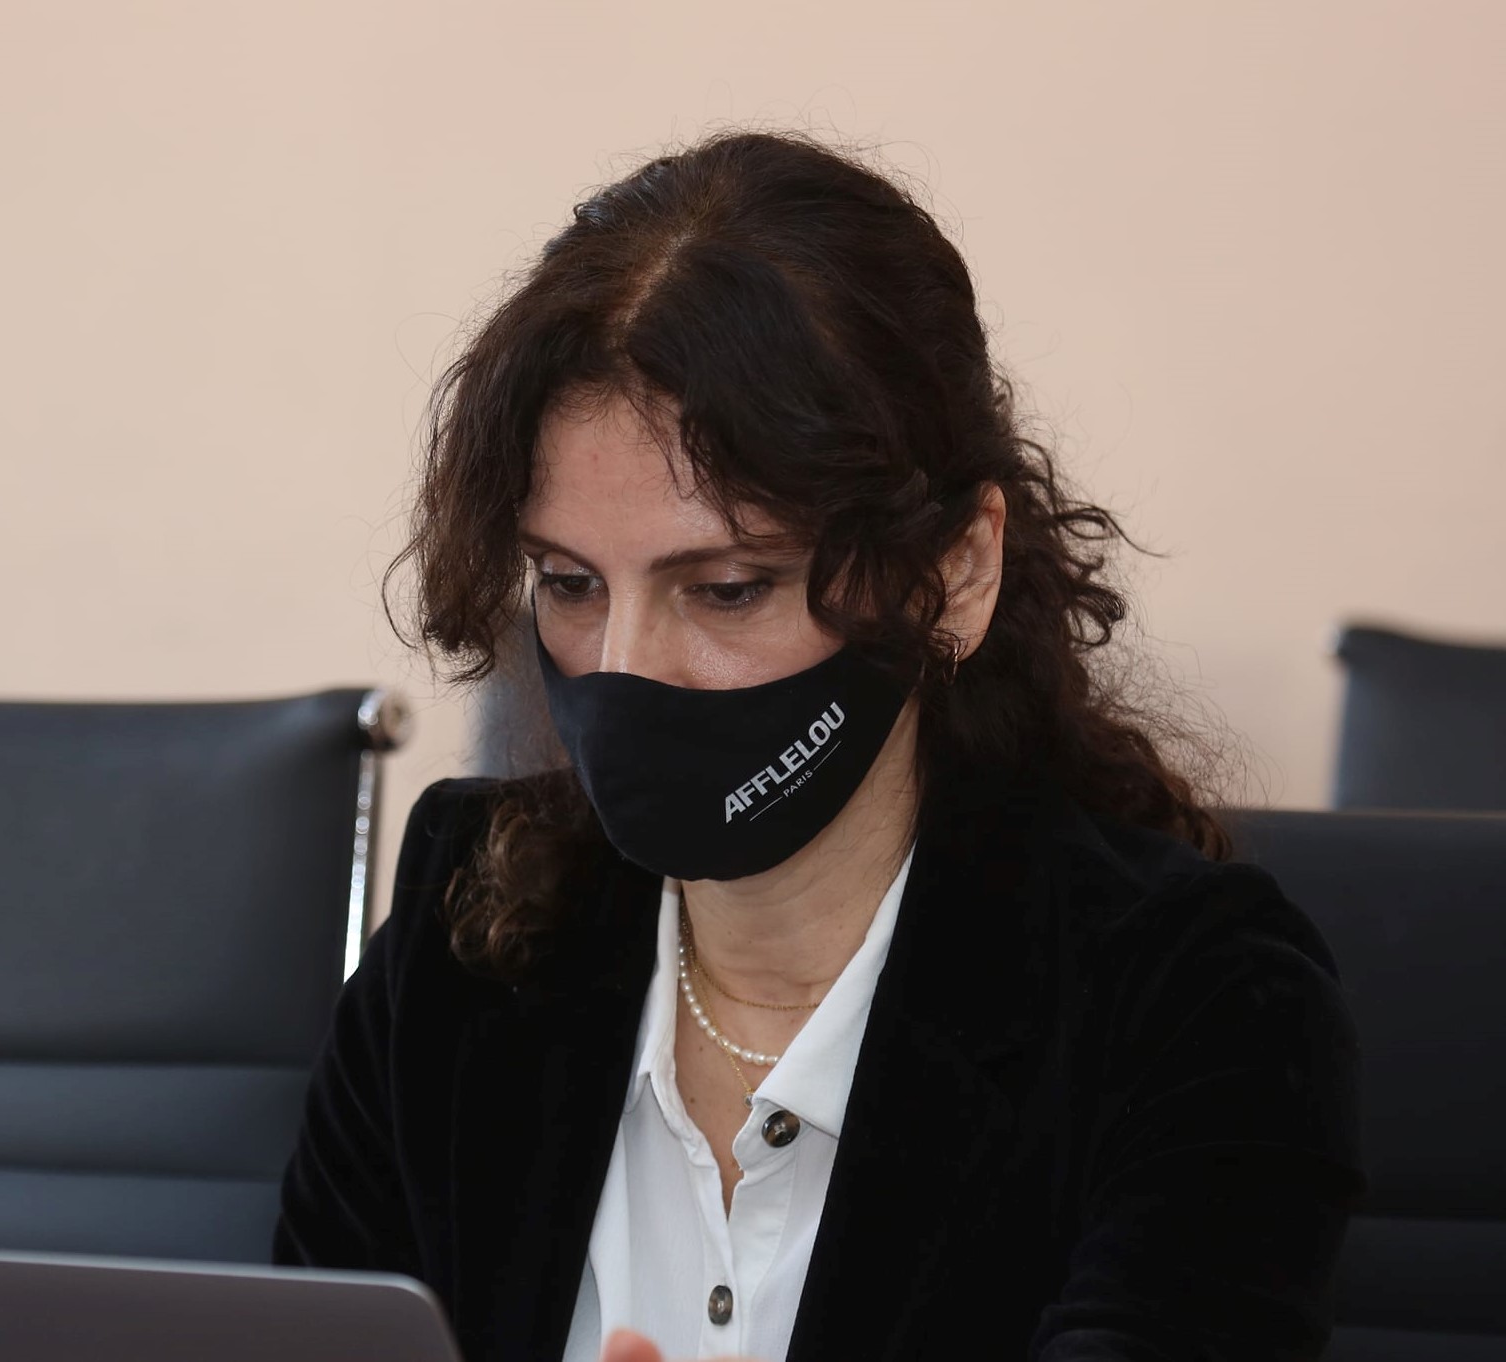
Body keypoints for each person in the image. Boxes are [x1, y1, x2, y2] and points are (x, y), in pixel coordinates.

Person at [274, 131, 1363, 1362]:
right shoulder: (463, 931)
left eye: (727, 589)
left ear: (955, 574)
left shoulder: (1197, 1000)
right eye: (570, 583)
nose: (625, 667)